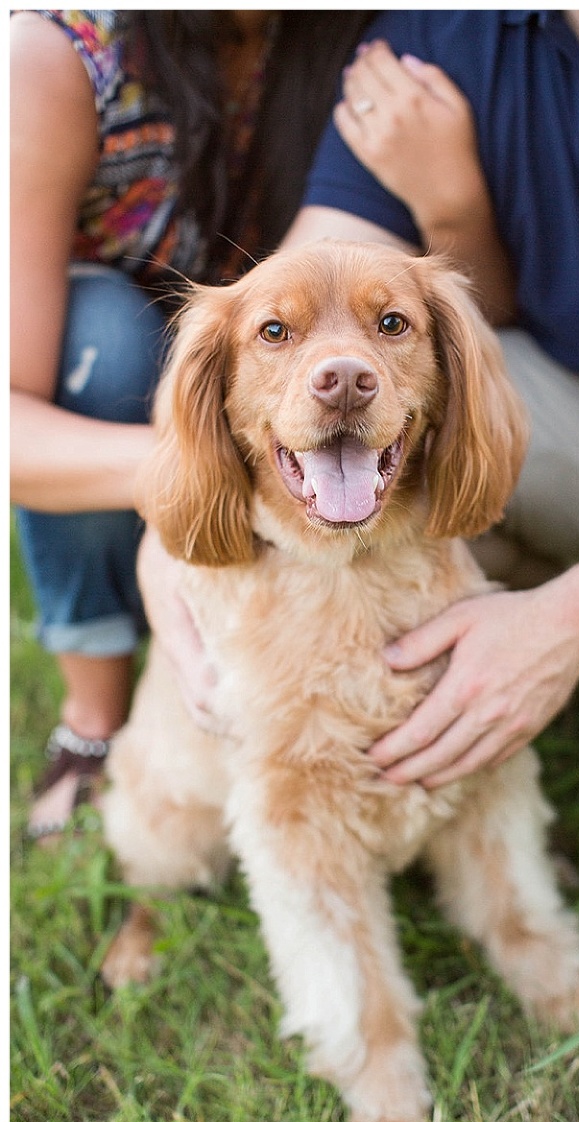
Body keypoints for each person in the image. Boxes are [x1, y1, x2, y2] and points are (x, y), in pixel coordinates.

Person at [276, 9, 579, 788]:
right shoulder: (437, 35)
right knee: (363, 504)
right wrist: (173, 530)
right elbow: (296, 299)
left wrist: (567, 625)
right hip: (565, 404)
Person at [10, 9, 376, 839]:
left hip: (292, 395)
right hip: (122, 401)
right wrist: (194, 471)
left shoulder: (366, 38)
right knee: (100, 336)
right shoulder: (57, 55)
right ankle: (95, 715)